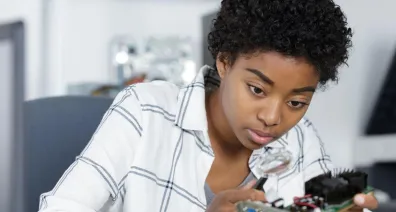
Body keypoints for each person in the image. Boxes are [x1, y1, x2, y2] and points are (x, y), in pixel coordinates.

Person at [38, 0, 378, 211]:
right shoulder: (145, 112)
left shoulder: (300, 139)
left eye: (297, 101)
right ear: (225, 62)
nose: (273, 118)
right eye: (257, 89)